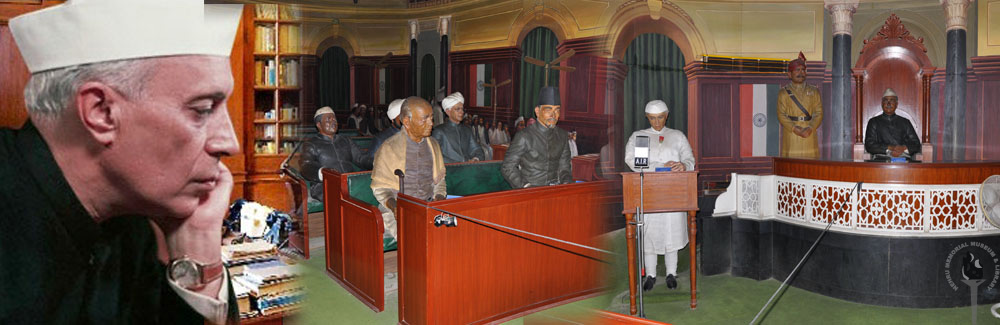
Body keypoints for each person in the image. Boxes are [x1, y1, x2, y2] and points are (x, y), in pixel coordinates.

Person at [1, 1, 242, 323]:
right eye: (201, 109)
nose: (230, 143)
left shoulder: (131, 222)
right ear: (101, 112)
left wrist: (197, 248)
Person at [623, 100, 696, 292]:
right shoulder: (639, 136)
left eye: (661, 118)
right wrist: (655, 166)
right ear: (647, 117)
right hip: (649, 193)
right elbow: (631, 160)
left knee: (672, 232)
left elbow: (690, 158)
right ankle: (651, 275)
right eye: (653, 118)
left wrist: (684, 166)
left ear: (667, 115)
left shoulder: (677, 136)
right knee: (650, 234)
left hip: (673, 193)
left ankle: (672, 273)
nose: (657, 122)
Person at [370, 97, 447, 239]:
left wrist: (439, 197)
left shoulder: (433, 145)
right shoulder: (389, 148)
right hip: (397, 210)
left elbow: (439, 181)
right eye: (424, 119)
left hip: (428, 206)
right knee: (414, 237)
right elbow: (380, 188)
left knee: (453, 227)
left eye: (431, 117)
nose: (431, 123)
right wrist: (394, 206)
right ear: (406, 122)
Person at [501, 86, 572, 188]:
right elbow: (508, 167)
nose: (553, 115)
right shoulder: (524, 136)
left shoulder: (562, 135)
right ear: (537, 111)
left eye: (557, 110)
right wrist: (526, 186)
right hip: (531, 191)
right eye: (548, 110)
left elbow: (565, 167)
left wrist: (566, 184)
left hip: (555, 191)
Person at [301, 107, 374, 201]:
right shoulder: (311, 144)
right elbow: (305, 166)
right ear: (319, 125)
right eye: (328, 119)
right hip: (324, 186)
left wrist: (376, 163)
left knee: (372, 188)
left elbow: (360, 158)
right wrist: (323, 172)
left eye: (334, 119)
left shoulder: (345, 140)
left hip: (350, 182)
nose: (333, 122)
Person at [776, 51, 823, 159]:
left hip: (809, 133)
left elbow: (819, 112)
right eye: (797, 70)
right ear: (789, 74)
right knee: (791, 165)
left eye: (803, 70)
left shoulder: (814, 91)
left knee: (810, 164)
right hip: (791, 133)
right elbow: (781, 114)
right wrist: (794, 128)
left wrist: (811, 127)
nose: (800, 73)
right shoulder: (783, 92)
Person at [864, 88, 921, 159]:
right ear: (882, 104)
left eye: (892, 100)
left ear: (896, 104)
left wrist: (903, 148)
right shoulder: (874, 122)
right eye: (886, 100)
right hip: (881, 160)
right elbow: (869, 145)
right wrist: (890, 148)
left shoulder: (905, 122)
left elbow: (916, 145)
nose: (888, 103)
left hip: (903, 160)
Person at [431, 92, 485, 163]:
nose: (462, 112)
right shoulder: (439, 131)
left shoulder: (467, 130)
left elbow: (477, 149)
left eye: (462, 109)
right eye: (457, 109)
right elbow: (435, 156)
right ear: (448, 112)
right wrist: (462, 162)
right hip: (449, 171)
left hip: (467, 168)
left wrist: (476, 159)